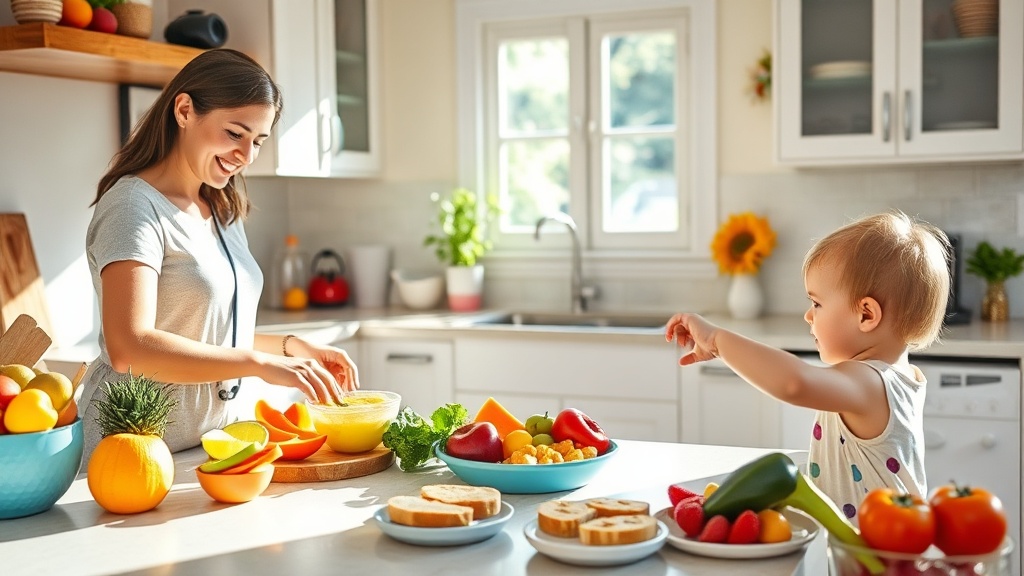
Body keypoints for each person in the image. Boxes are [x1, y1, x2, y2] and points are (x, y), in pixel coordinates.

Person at [79, 49, 358, 460]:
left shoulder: (223, 209)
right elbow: (129, 347)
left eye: (258, 141)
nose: (246, 156)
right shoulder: (133, 207)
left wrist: (293, 347)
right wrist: (255, 364)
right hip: (126, 452)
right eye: (234, 133)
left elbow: (204, 333)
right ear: (185, 110)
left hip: (205, 445)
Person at [666, 211, 950, 523]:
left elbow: (794, 382)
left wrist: (718, 340)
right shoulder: (899, 374)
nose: (808, 316)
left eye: (817, 304)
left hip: (871, 559)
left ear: (866, 315)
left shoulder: (871, 382)